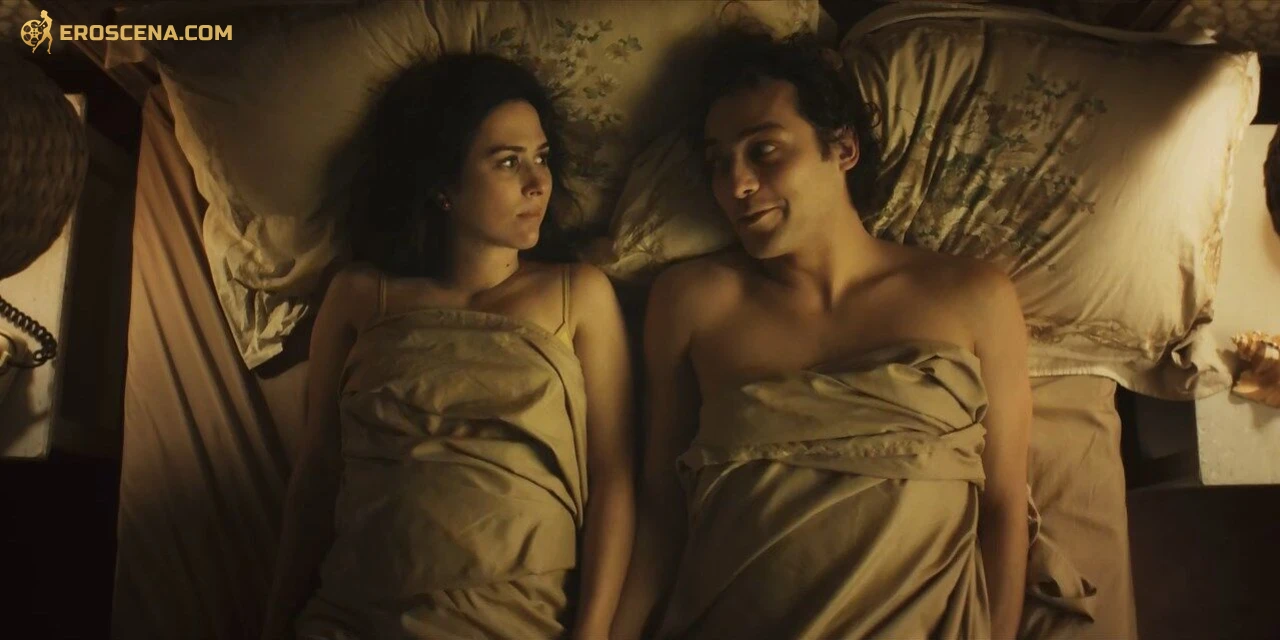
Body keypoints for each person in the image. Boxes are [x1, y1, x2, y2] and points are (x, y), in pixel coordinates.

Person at [613, 29, 1031, 640]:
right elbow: (660, 511)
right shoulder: (692, 303)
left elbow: (1004, 508)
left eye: (764, 151)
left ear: (843, 147)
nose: (736, 185)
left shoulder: (972, 297)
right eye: (717, 163)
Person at [262, 53, 635, 640]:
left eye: (542, 157)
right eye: (508, 162)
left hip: (513, 620)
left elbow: (614, 479)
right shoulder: (359, 296)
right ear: (442, 185)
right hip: (356, 617)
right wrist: (273, 624)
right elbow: (316, 473)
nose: (538, 182)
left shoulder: (579, 296)